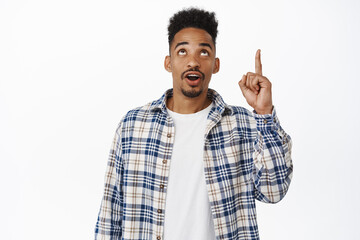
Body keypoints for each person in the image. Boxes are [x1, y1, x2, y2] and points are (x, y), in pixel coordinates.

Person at [95, 7, 293, 240]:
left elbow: (274, 191)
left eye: (204, 53)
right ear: (168, 63)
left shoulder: (243, 125)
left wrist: (263, 112)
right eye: (182, 51)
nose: (193, 61)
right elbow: (111, 211)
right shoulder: (133, 126)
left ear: (216, 65)